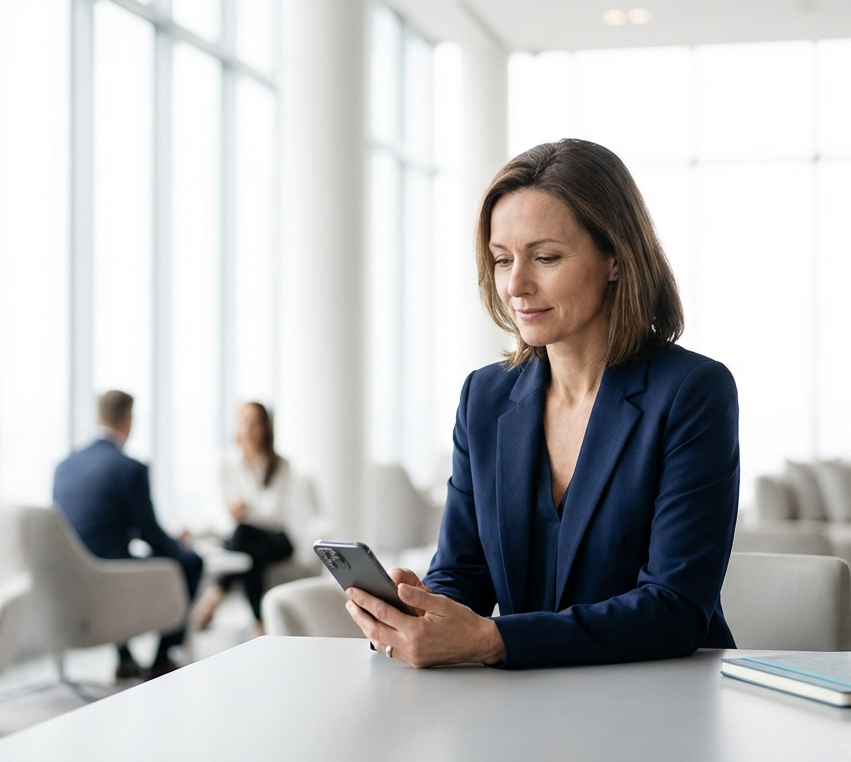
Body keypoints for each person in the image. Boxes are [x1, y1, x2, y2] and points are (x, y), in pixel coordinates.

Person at [344, 139, 740, 669]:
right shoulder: (483, 397)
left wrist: (493, 641)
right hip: (525, 702)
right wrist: (419, 610)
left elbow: (675, 609)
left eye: (546, 257)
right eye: (502, 260)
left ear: (616, 259)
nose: (516, 285)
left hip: (662, 698)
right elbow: (463, 573)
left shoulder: (693, 391)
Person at [52, 390, 203, 680]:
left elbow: (93, 524)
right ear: (129, 419)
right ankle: (163, 657)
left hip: (70, 575)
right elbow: (152, 535)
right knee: (191, 562)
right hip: (112, 574)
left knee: (126, 554)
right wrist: (179, 546)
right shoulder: (129, 468)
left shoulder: (64, 466)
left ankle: (125, 658)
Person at [191, 402, 322, 634]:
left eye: (256, 422)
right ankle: (258, 620)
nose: (250, 428)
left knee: (243, 538)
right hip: (242, 537)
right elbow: (216, 511)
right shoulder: (224, 462)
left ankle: (217, 592)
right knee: (248, 549)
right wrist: (236, 515)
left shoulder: (280, 465)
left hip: (276, 539)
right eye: (245, 421)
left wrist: (245, 510)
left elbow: (273, 514)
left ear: (265, 427)